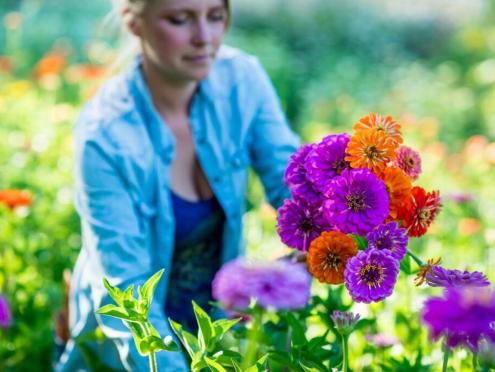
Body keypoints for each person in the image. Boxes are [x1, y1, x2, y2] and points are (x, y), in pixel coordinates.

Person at [55, 0, 299, 370]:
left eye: (216, 16)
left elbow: (292, 186)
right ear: (134, 22)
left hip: (213, 336)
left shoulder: (242, 81)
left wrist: (339, 231)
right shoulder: (104, 138)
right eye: (180, 19)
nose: (205, 38)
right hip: (130, 351)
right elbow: (128, 296)